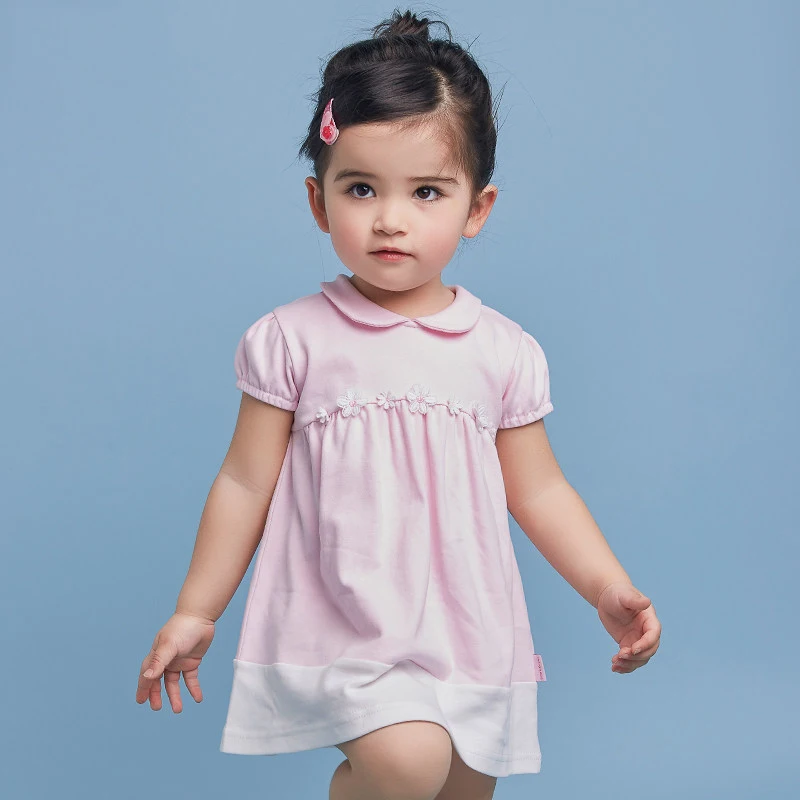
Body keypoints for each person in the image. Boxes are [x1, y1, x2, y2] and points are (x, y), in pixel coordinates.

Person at [135, 9, 662, 799]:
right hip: (349, 621)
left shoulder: (502, 350)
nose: (390, 218)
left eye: (426, 191)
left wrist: (605, 587)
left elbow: (541, 489)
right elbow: (245, 481)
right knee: (406, 761)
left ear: (476, 208)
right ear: (319, 202)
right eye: (360, 188)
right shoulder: (292, 340)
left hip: (467, 624)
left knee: (461, 785)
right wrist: (195, 610)